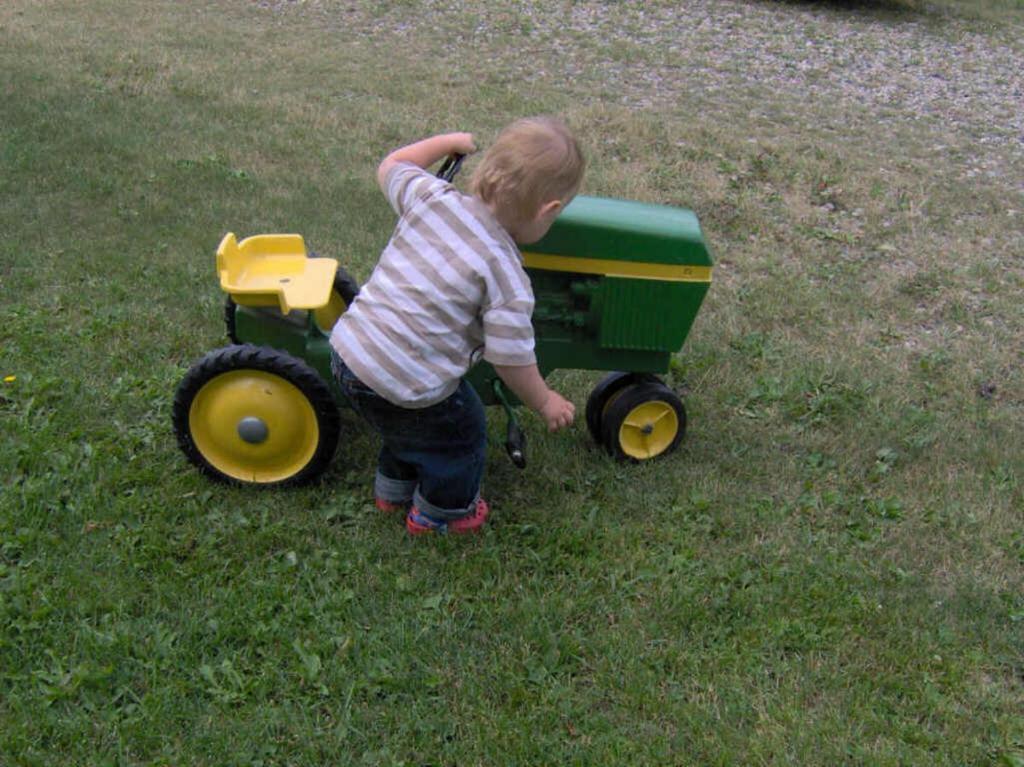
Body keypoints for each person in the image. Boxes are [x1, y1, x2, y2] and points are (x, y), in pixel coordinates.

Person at [329, 116, 585, 535]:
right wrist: (545, 402)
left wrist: (446, 141)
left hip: (349, 355)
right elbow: (510, 358)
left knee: (403, 423)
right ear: (548, 211)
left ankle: (392, 490)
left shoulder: (432, 196)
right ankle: (441, 514)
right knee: (460, 433)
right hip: (405, 380)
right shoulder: (506, 275)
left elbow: (392, 165)